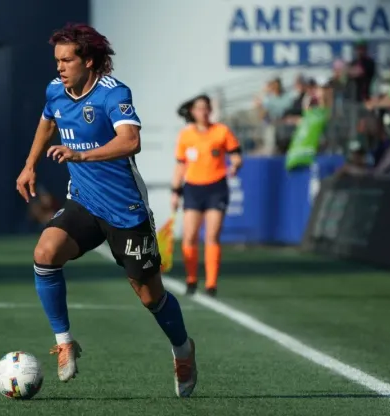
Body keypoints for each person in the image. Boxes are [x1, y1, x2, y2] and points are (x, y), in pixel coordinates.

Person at [15, 23, 197, 398]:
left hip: (125, 210)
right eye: (57, 60)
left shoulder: (113, 94)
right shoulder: (55, 90)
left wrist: (80, 154)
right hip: (82, 201)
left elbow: (131, 141)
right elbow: (47, 121)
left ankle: (182, 349)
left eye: (67, 60)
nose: (60, 67)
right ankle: (65, 342)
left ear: (90, 60)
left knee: (150, 296)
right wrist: (30, 164)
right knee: (45, 254)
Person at [170, 95, 243, 297]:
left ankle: (211, 283)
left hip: (216, 187)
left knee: (212, 235)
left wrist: (235, 165)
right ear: (192, 112)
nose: (203, 112)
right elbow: (180, 165)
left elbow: (236, 154)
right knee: (190, 235)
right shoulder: (186, 135)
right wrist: (175, 192)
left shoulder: (221, 131)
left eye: (206, 108)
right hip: (193, 188)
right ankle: (191, 278)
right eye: (199, 108)